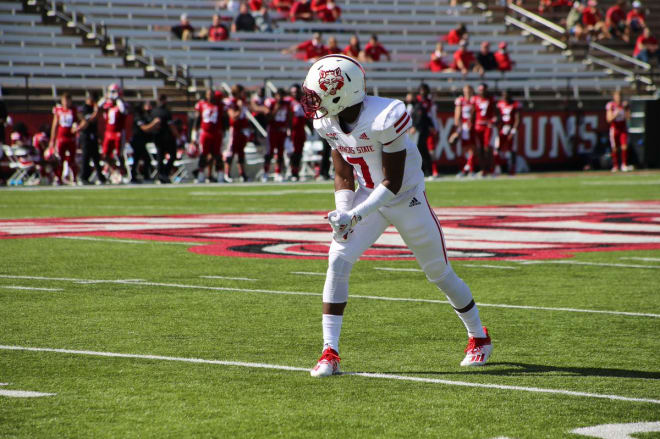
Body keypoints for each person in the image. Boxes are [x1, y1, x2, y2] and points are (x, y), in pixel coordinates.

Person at [301, 54, 492, 377]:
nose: (312, 102)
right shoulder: (327, 121)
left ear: (340, 94)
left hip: (405, 197)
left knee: (439, 273)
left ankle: (479, 337)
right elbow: (343, 171)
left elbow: (393, 182)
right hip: (366, 192)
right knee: (337, 259)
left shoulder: (385, 116)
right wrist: (343, 211)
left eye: (318, 94)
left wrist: (356, 215)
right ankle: (329, 351)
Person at [49, 93, 82, 185]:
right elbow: (55, 125)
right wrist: (52, 140)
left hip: (71, 139)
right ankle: (58, 178)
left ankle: (74, 178)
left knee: (71, 160)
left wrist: (77, 128)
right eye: (64, 101)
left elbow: (83, 121)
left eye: (68, 100)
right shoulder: (58, 110)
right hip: (61, 138)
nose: (66, 103)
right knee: (59, 159)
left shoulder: (74, 110)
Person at [193, 90, 225, 183]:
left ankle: (220, 175)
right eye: (208, 95)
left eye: (212, 95)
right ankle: (201, 175)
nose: (210, 96)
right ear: (206, 95)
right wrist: (194, 134)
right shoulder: (202, 104)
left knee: (217, 155)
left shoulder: (219, 105)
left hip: (216, 133)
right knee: (203, 154)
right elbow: (197, 119)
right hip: (205, 133)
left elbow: (224, 119)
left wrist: (225, 132)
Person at [98, 83, 128, 181]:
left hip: (118, 132)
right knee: (105, 155)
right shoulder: (108, 105)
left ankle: (123, 172)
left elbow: (123, 111)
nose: (112, 94)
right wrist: (105, 97)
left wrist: (118, 99)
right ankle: (115, 169)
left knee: (119, 154)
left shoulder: (121, 104)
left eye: (114, 92)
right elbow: (98, 106)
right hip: (108, 133)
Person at [262, 88, 292, 182]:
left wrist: (288, 128)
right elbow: (269, 118)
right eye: (279, 95)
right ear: (275, 96)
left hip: (282, 131)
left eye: (282, 95)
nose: (280, 98)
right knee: (269, 153)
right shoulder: (271, 103)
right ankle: (265, 173)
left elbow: (289, 116)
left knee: (280, 153)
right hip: (273, 130)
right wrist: (276, 108)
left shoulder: (287, 104)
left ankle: (278, 173)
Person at [78, 91, 106, 185]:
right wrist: (96, 111)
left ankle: (100, 176)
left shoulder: (92, 107)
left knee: (96, 157)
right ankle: (83, 177)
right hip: (86, 135)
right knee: (86, 156)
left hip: (93, 135)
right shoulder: (85, 108)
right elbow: (88, 121)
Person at [151, 94, 180, 184]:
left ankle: (161, 174)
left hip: (157, 137)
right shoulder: (165, 112)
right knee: (172, 155)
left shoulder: (153, 111)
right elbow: (171, 126)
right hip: (167, 138)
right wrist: (178, 136)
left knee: (160, 156)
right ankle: (164, 173)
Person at [224, 84, 250, 182]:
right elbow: (233, 116)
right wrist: (239, 107)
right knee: (231, 152)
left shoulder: (242, 101)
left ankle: (242, 174)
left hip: (242, 130)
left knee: (241, 152)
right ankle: (227, 173)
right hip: (234, 130)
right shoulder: (232, 102)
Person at [410, 84, 437, 177]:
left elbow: (426, 116)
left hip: (423, 128)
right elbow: (413, 114)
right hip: (417, 128)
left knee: (423, 149)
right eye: (421, 90)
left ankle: (428, 170)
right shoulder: (416, 101)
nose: (423, 92)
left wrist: (433, 126)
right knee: (419, 149)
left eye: (424, 90)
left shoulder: (428, 103)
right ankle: (424, 170)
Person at [130, 100, 159, 183]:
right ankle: (138, 176)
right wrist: (154, 124)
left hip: (143, 141)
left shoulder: (145, 116)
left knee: (143, 159)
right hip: (137, 141)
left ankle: (142, 175)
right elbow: (144, 128)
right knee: (140, 159)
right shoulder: (138, 116)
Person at [495, 90, 521, 175]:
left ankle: (512, 169)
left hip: (511, 128)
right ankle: (497, 167)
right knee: (497, 148)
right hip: (502, 128)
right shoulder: (500, 104)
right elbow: (498, 117)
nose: (505, 97)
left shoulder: (515, 104)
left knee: (512, 149)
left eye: (506, 95)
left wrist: (513, 131)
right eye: (503, 95)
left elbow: (518, 119)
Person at [453, 85, 477, 177]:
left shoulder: (474, 100)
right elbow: (457, 115)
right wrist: (458, 129)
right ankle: (465, 169)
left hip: (472, 127)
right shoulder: (461, 101)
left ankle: (469, 169)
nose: (467, 92)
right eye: (465, 91)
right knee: (464, 149)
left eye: (468, 91)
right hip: (464, 127)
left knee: (472, 148)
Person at [473, 83, 496, 175]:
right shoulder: (475, 99)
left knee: (487, 148)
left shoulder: (491, 99)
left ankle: (490, 168)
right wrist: (470, 122)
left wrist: (494, 120)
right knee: (479, 149)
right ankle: (483, 169)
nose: (482, 92)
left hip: (487, 125)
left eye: (483, 90)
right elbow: (473, 111)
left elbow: (495, 112)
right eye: (480, 90)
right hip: (478, 125)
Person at [606, 91, 632, 172]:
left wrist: (626, 110)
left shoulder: (624, 106)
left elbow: (628, 118)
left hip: (622, 128)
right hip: (615, 129)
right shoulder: (611, 106)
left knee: (624, 146)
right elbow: (608, 119)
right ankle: (615, 166)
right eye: (617, 97)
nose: (619, 98)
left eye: (620, 96)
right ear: (614, 97)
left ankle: (624, 165)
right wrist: (615, 114)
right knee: (615, 148)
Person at [286, 84, 307, 181]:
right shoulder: (289, 102)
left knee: (299, 152)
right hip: (293, 131)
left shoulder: (303, 102)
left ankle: (296, 172)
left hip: (301, 130)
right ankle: (292, 171)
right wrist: (288, 129)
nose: (295, 94)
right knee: (292, 152)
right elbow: (288, 117)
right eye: (293, 92)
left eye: (297, 92)